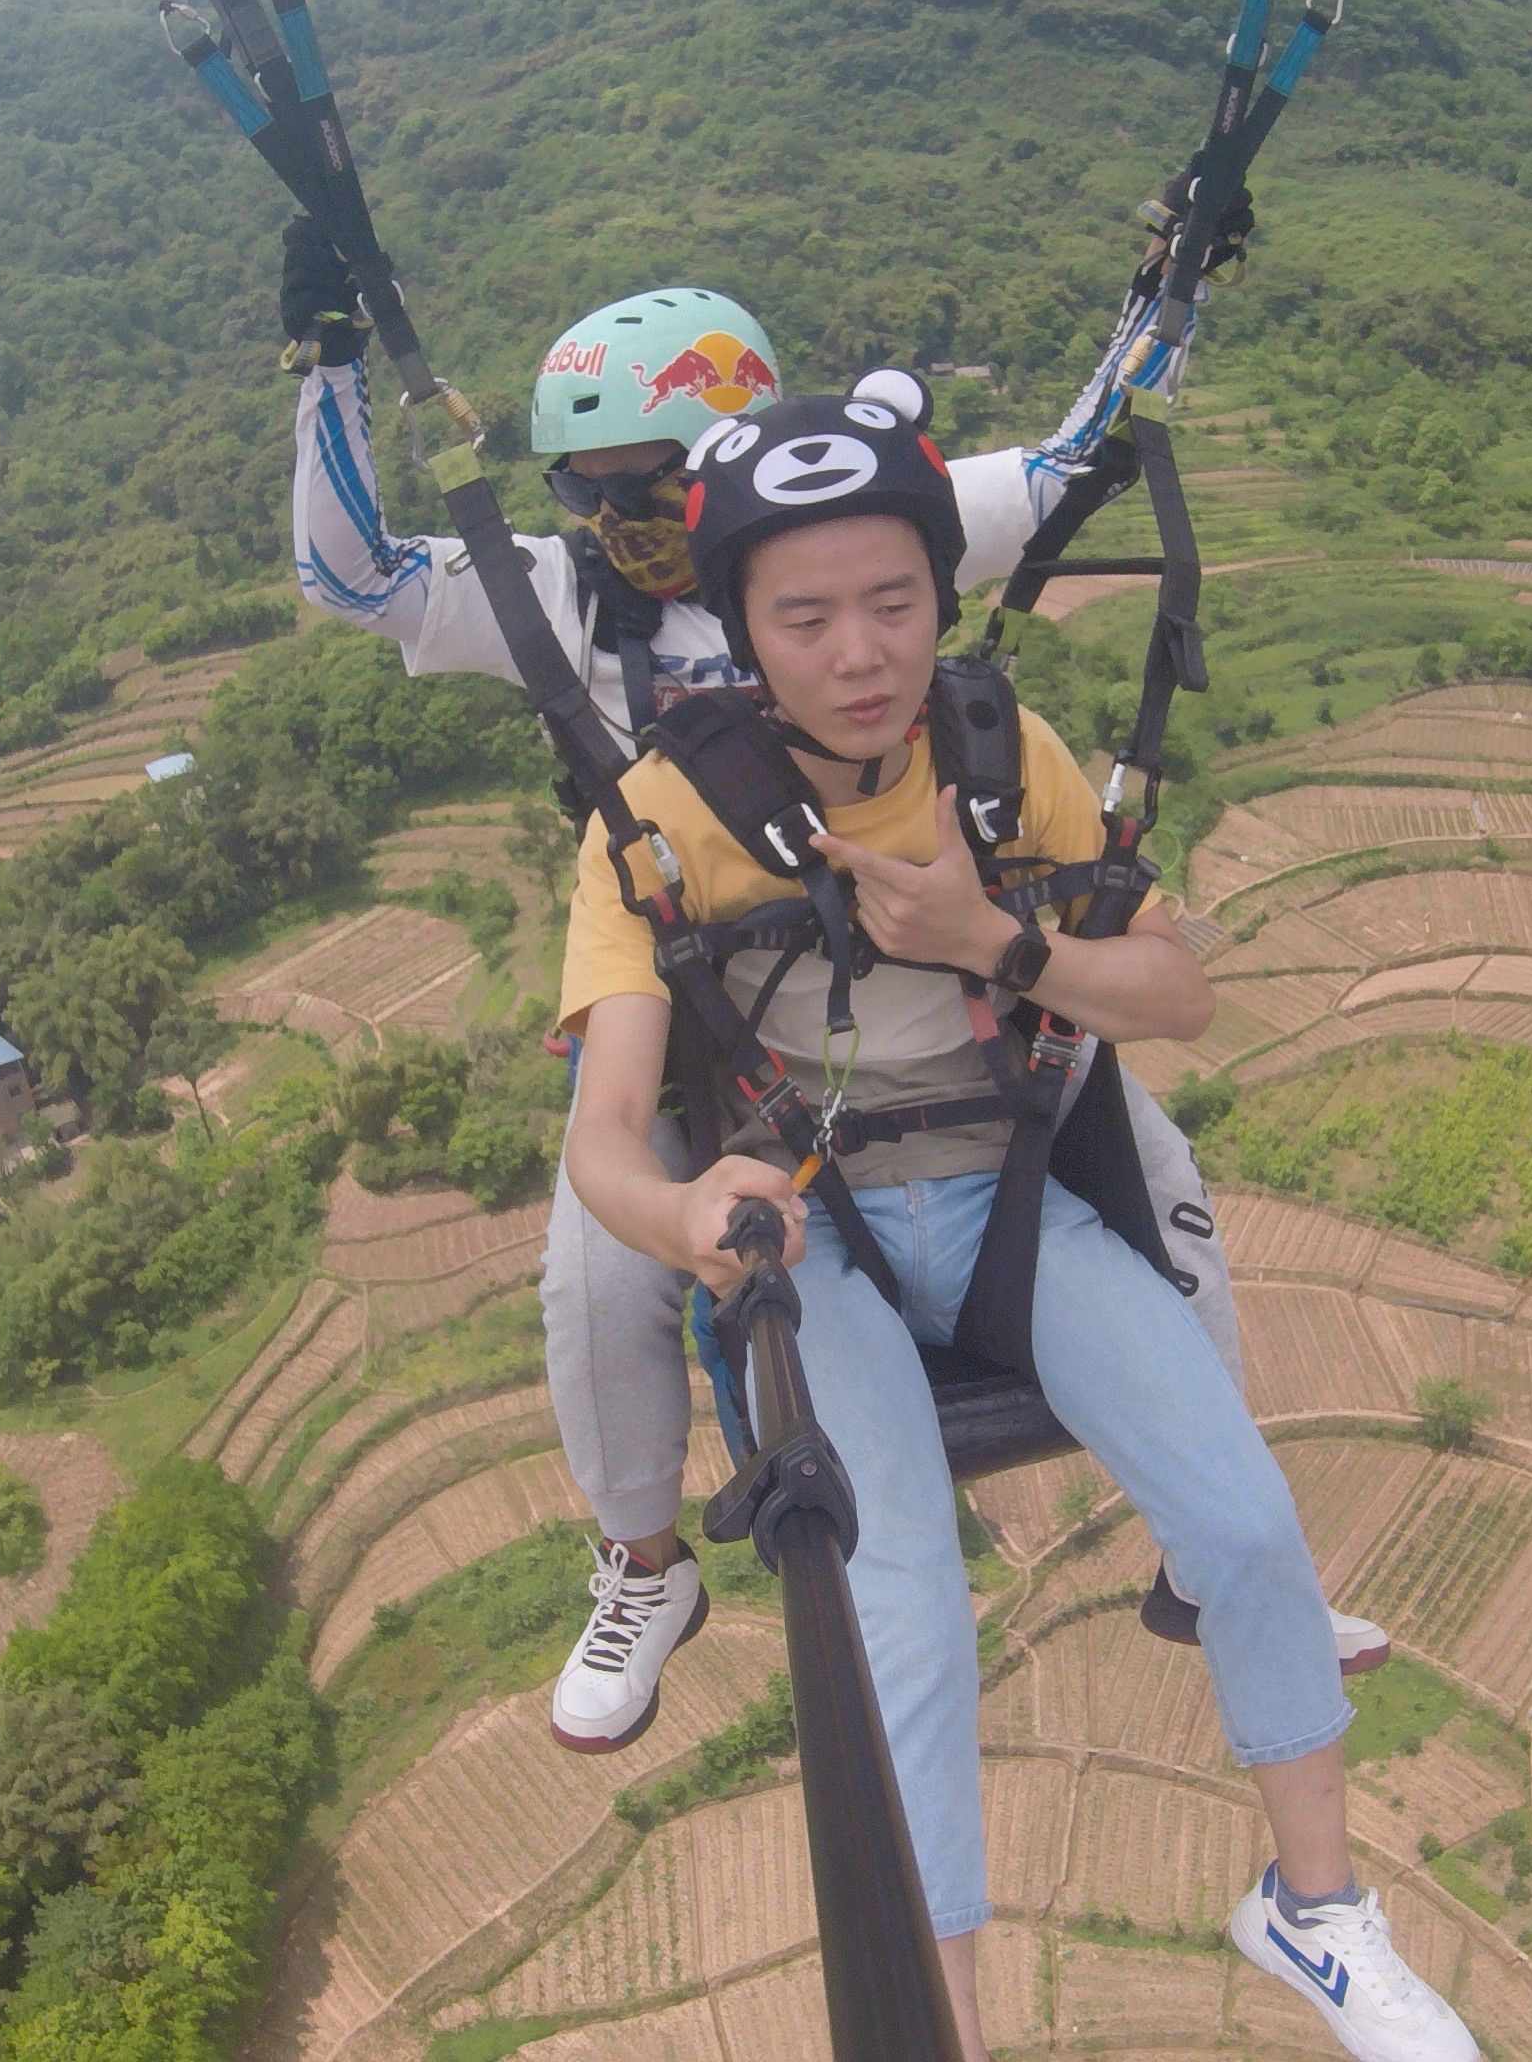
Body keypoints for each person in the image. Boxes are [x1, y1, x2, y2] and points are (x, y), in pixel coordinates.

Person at [282, 218, 1383, 1756]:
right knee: (598, 1277)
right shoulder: (551, 596)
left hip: (936, 1006)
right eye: (589, 499)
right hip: (709, 1035)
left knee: (1161, 1200)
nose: (624, 529)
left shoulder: (842, 535)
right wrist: (327, 368)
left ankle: (1229, 1560)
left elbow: (1075, 463)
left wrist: (1168, 286)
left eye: (651, 491)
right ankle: (642, 1565)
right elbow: (353, 577)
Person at [551, 381, 1474, 2062]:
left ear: (938, 597)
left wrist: (1001, 940)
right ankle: (946, 2028)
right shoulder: (660, 824)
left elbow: (1177, 995)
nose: (860, 653)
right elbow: (607, 1136)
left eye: (894, 601)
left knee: (1253, 1525)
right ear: (743, 632)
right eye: (808, 616)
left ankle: (1315, 1912)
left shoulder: (997, 758)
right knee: (903, 1603)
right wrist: (687, 1210)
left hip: (996, 1194)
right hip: (806, 1234)